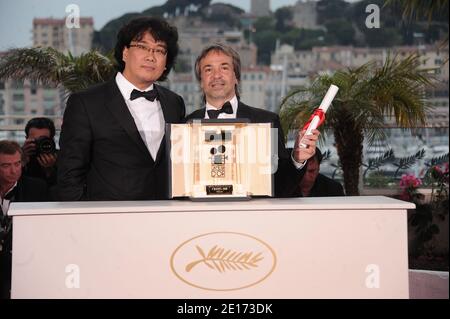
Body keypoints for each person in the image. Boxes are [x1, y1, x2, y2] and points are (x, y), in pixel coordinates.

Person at [58, 17, 186, 201]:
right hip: (108, 219)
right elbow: (69, 176)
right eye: (142, 47)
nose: (151, 56)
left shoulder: (174, 103)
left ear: (166, 62)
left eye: (159, 50)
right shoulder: (85, 102)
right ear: (125, 52)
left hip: (165, 216)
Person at [185, 44, 319, 197]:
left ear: (236, 77)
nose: (216, 75)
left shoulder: (267, 121)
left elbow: (281, 188)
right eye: (208, 69)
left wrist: (296, 158)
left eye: (224, 68)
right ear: (201, 82)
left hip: (252, 218)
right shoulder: (185, 125)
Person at [0, 140, 48, 299]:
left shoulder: (37, 188)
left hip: (23, 262)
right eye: (6, 166)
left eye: (17, 164)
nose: (13, 171)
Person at [22, 117, 58, 187]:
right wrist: (21, 162)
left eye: (43, 139)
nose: (39, 143)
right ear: (26, 139)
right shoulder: (18, 156)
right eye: (35, 140)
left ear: (51, 140)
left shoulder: (60, 157)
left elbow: (61, 189)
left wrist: (50, 171)